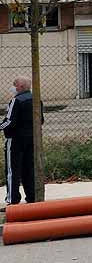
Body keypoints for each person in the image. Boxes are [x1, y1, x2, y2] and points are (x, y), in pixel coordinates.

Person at [4, 77, 35, 206]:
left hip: (15, 140)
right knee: (29, 169)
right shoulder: (36, 99)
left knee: (12, 170)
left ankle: (12, 199)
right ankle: (32, 197)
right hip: (31, 138)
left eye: (14, 85)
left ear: (20, 87)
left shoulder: (16, 101)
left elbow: (9, 121)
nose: (13, 87)